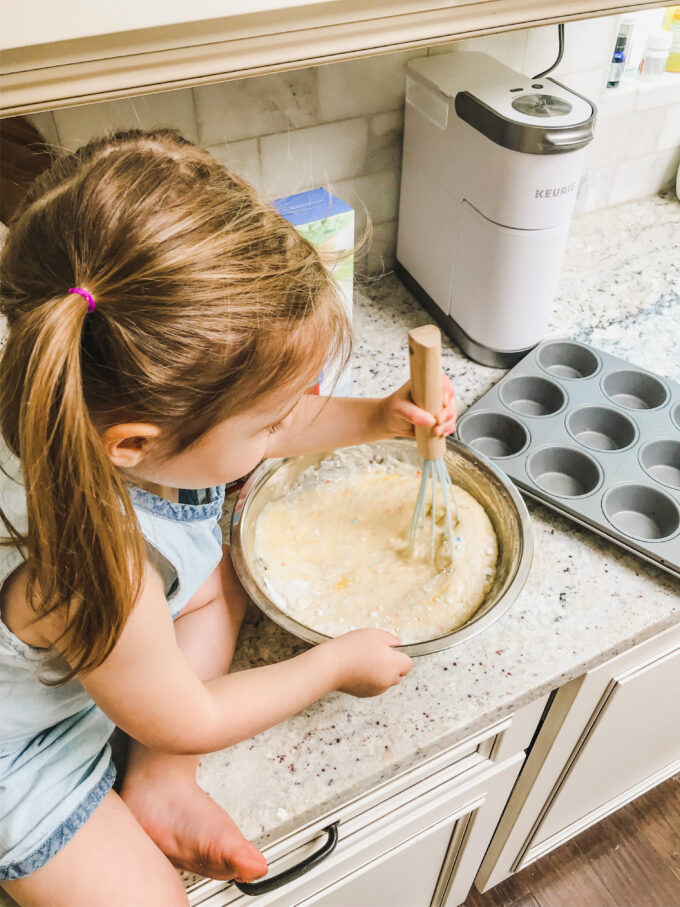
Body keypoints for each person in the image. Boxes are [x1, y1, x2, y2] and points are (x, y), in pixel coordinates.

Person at [0, 128, 457, 906]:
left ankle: (157, 784)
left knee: (221, 579)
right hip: (24, 752)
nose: (291, 426)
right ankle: (152, 772)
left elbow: (272, 420)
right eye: (272, 423)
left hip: (107, 663)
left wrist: (379, 415)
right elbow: (192, 712)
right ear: (137, 445)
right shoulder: (104, 572)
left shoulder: (90, 387)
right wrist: (333, 665)